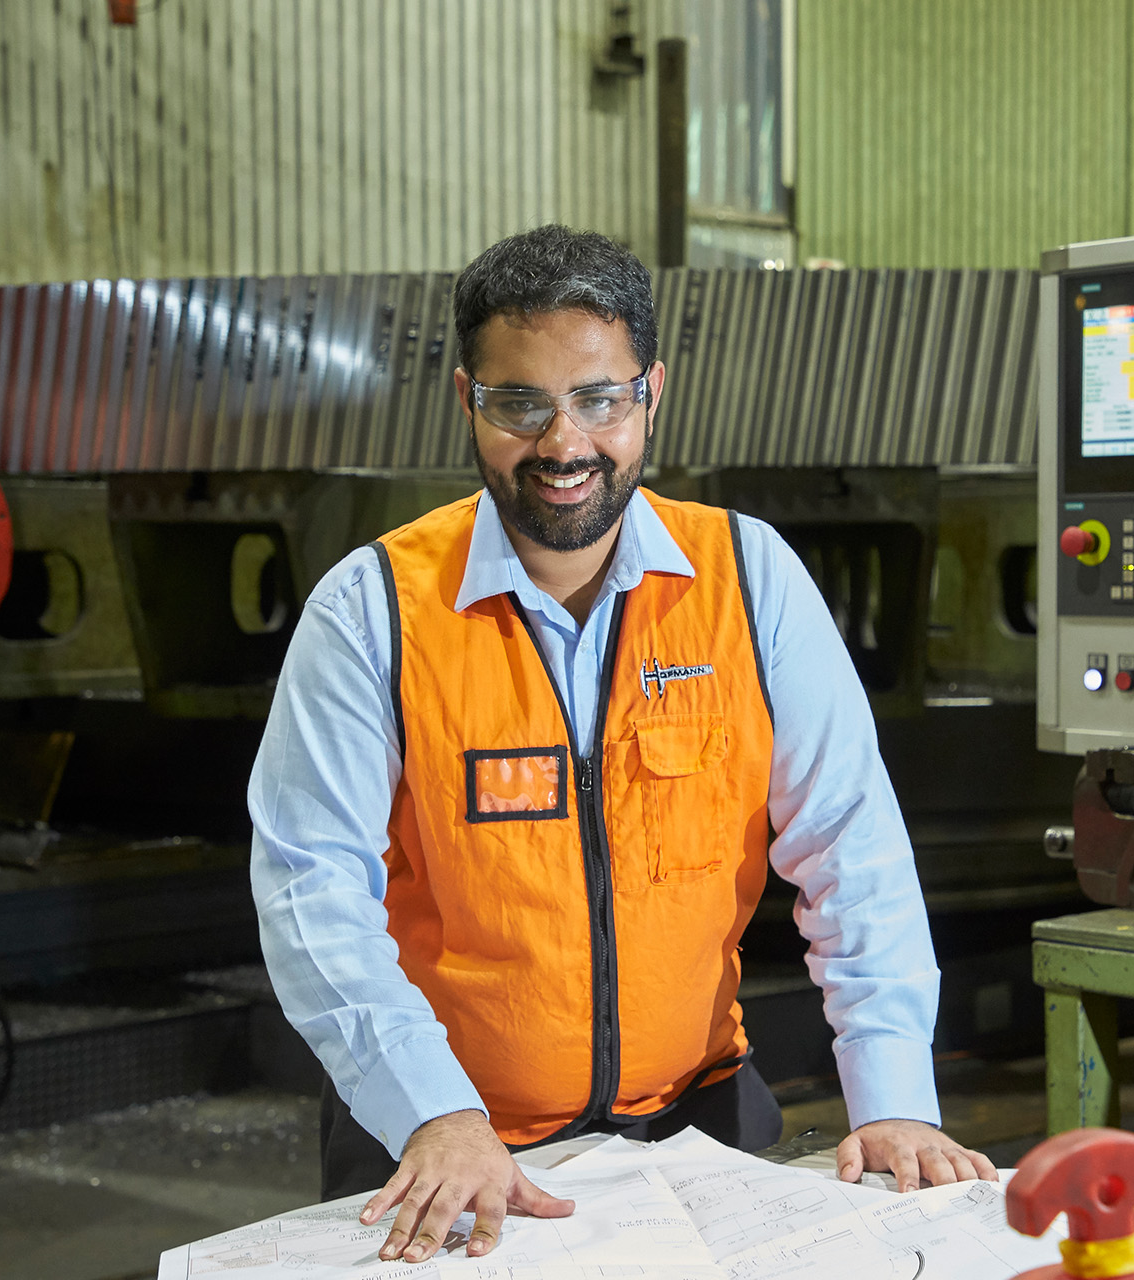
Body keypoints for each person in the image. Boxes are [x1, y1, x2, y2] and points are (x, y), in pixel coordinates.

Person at [248, 224, 994, 1266]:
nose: (564, 443)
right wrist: (429, 1109)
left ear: (652, 393)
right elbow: (310, 887)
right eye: (520, 403)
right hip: (445, 1145)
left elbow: (850, 847)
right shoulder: (372, 611)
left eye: (599, 398)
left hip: (704, 1127)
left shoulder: (748, 578)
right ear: (467, 398)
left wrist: (896, 1099)